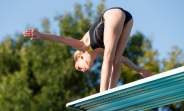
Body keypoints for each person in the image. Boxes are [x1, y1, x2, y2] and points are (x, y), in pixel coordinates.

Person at [23, 7, 152, 92]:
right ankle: (111, 92)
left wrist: (42, 35)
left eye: (79, 67)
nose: (83, 71)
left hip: (112, 14)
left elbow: (61, 39)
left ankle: (104, 93)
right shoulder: (100, 50)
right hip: (127, 20)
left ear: (79, 57)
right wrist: (139, 70)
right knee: (116, 60)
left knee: (109, 57)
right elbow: (125, 60)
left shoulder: (83, 46)